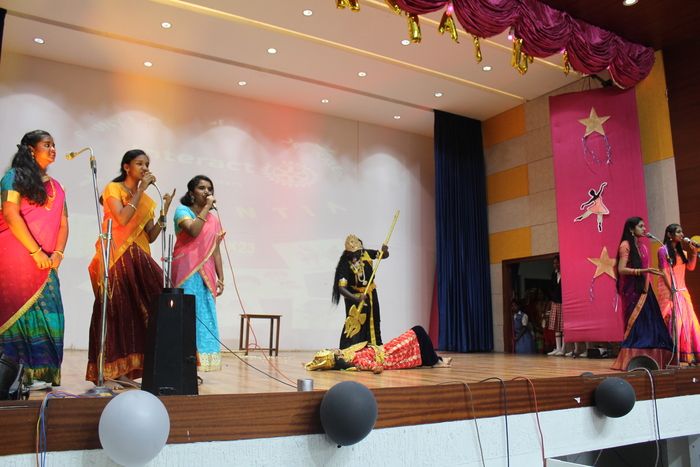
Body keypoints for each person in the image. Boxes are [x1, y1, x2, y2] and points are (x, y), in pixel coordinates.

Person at [86, 149, 174, 390]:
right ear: (126, 167)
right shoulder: (113, 189)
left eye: (147, 164)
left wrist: (164, 210)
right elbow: (122, 219)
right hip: (115, 257)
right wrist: (140, 191)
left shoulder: (146, 200)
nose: (145, 168)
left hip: (139, 259)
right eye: (139, 163)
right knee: (114, 313)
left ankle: (125, 372)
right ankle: (107, 373)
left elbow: (151, 236)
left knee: (138, 314)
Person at [0, 130, 68, 387]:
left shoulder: (58, 187)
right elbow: (10, 214)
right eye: (46, 144)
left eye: (54, 145)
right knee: (15, 314)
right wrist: (35, 251)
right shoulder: (13, 177)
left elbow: (63, 224)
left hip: (47, 263)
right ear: (31, 149)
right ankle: (13, 375)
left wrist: (58, 252)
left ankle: (38, 373)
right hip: (15, 257)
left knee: (50, 315)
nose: (52, 149)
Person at [172, 175, 225, 377]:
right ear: (191, 193)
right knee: (186, 315)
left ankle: (195, 366)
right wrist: (207, 208)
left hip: (206, 274)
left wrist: (221, 278)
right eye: (202, 188)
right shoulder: (182, 211)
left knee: (204, 316)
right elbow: (193, 231)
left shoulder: (214, 220)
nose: (207, 192)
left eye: (209, 188)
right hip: (186, 270)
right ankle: (180, 364)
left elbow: (216, 251)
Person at [611, 217, 673, 371]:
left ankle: (656, 357)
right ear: (631, 229)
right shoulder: (625, 245)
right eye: (640, 226)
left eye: (644, 226)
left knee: (651, 320)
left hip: (645, 288)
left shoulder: (643, 247)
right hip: (632, 289)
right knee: (637, 322)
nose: (644, 229)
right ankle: (634, 358)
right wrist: (644, 271)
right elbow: (621, 269)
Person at [304, 325, 451, 373]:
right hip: (389, 356)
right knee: (418, 332)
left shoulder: (346, 354)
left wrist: (312, 364)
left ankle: (437, 359)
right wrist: (375, 367)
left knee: (416, 341)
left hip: (385, 349)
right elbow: (372, 365)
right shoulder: (353, 360)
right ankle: (436, 361)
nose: (333, 348)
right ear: (337, 357)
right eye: (332, 351)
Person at [332, 235, 389, 348]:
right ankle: (351, 349)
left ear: (361, 250)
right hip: (353, 297)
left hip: (370, 293)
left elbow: (383, 256)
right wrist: (357, 299)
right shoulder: (345, 265)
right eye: (351, 254)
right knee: (356, 322)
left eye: (356, 253)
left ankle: (374, 346)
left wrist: (385, 251)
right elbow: (342, 288)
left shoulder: (367, 254)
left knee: (374, 319)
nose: (353, 256)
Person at [656, 223, 700, 365]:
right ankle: (671, 355)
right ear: (670, 235)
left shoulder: (683, 253)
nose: (682, 235)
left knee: (689, 322)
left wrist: (694, 252)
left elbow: (691, 267)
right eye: (678, 232)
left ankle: (688, 355)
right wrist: (672, 289)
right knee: (673, 319)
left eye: (682, 232)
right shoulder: (662, 250)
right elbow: (664, 272)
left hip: (682, 290)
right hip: (669, 289)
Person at [547, 255, 566, 356]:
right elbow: (551, 287)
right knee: (556, 326)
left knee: (563, 326)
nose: (555, 265)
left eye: (557, 263)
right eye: (554, 263)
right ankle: (558, 348)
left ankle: (563, 348)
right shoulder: (554, 274)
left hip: (564, 302)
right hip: (555, 301)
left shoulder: (566, 273)